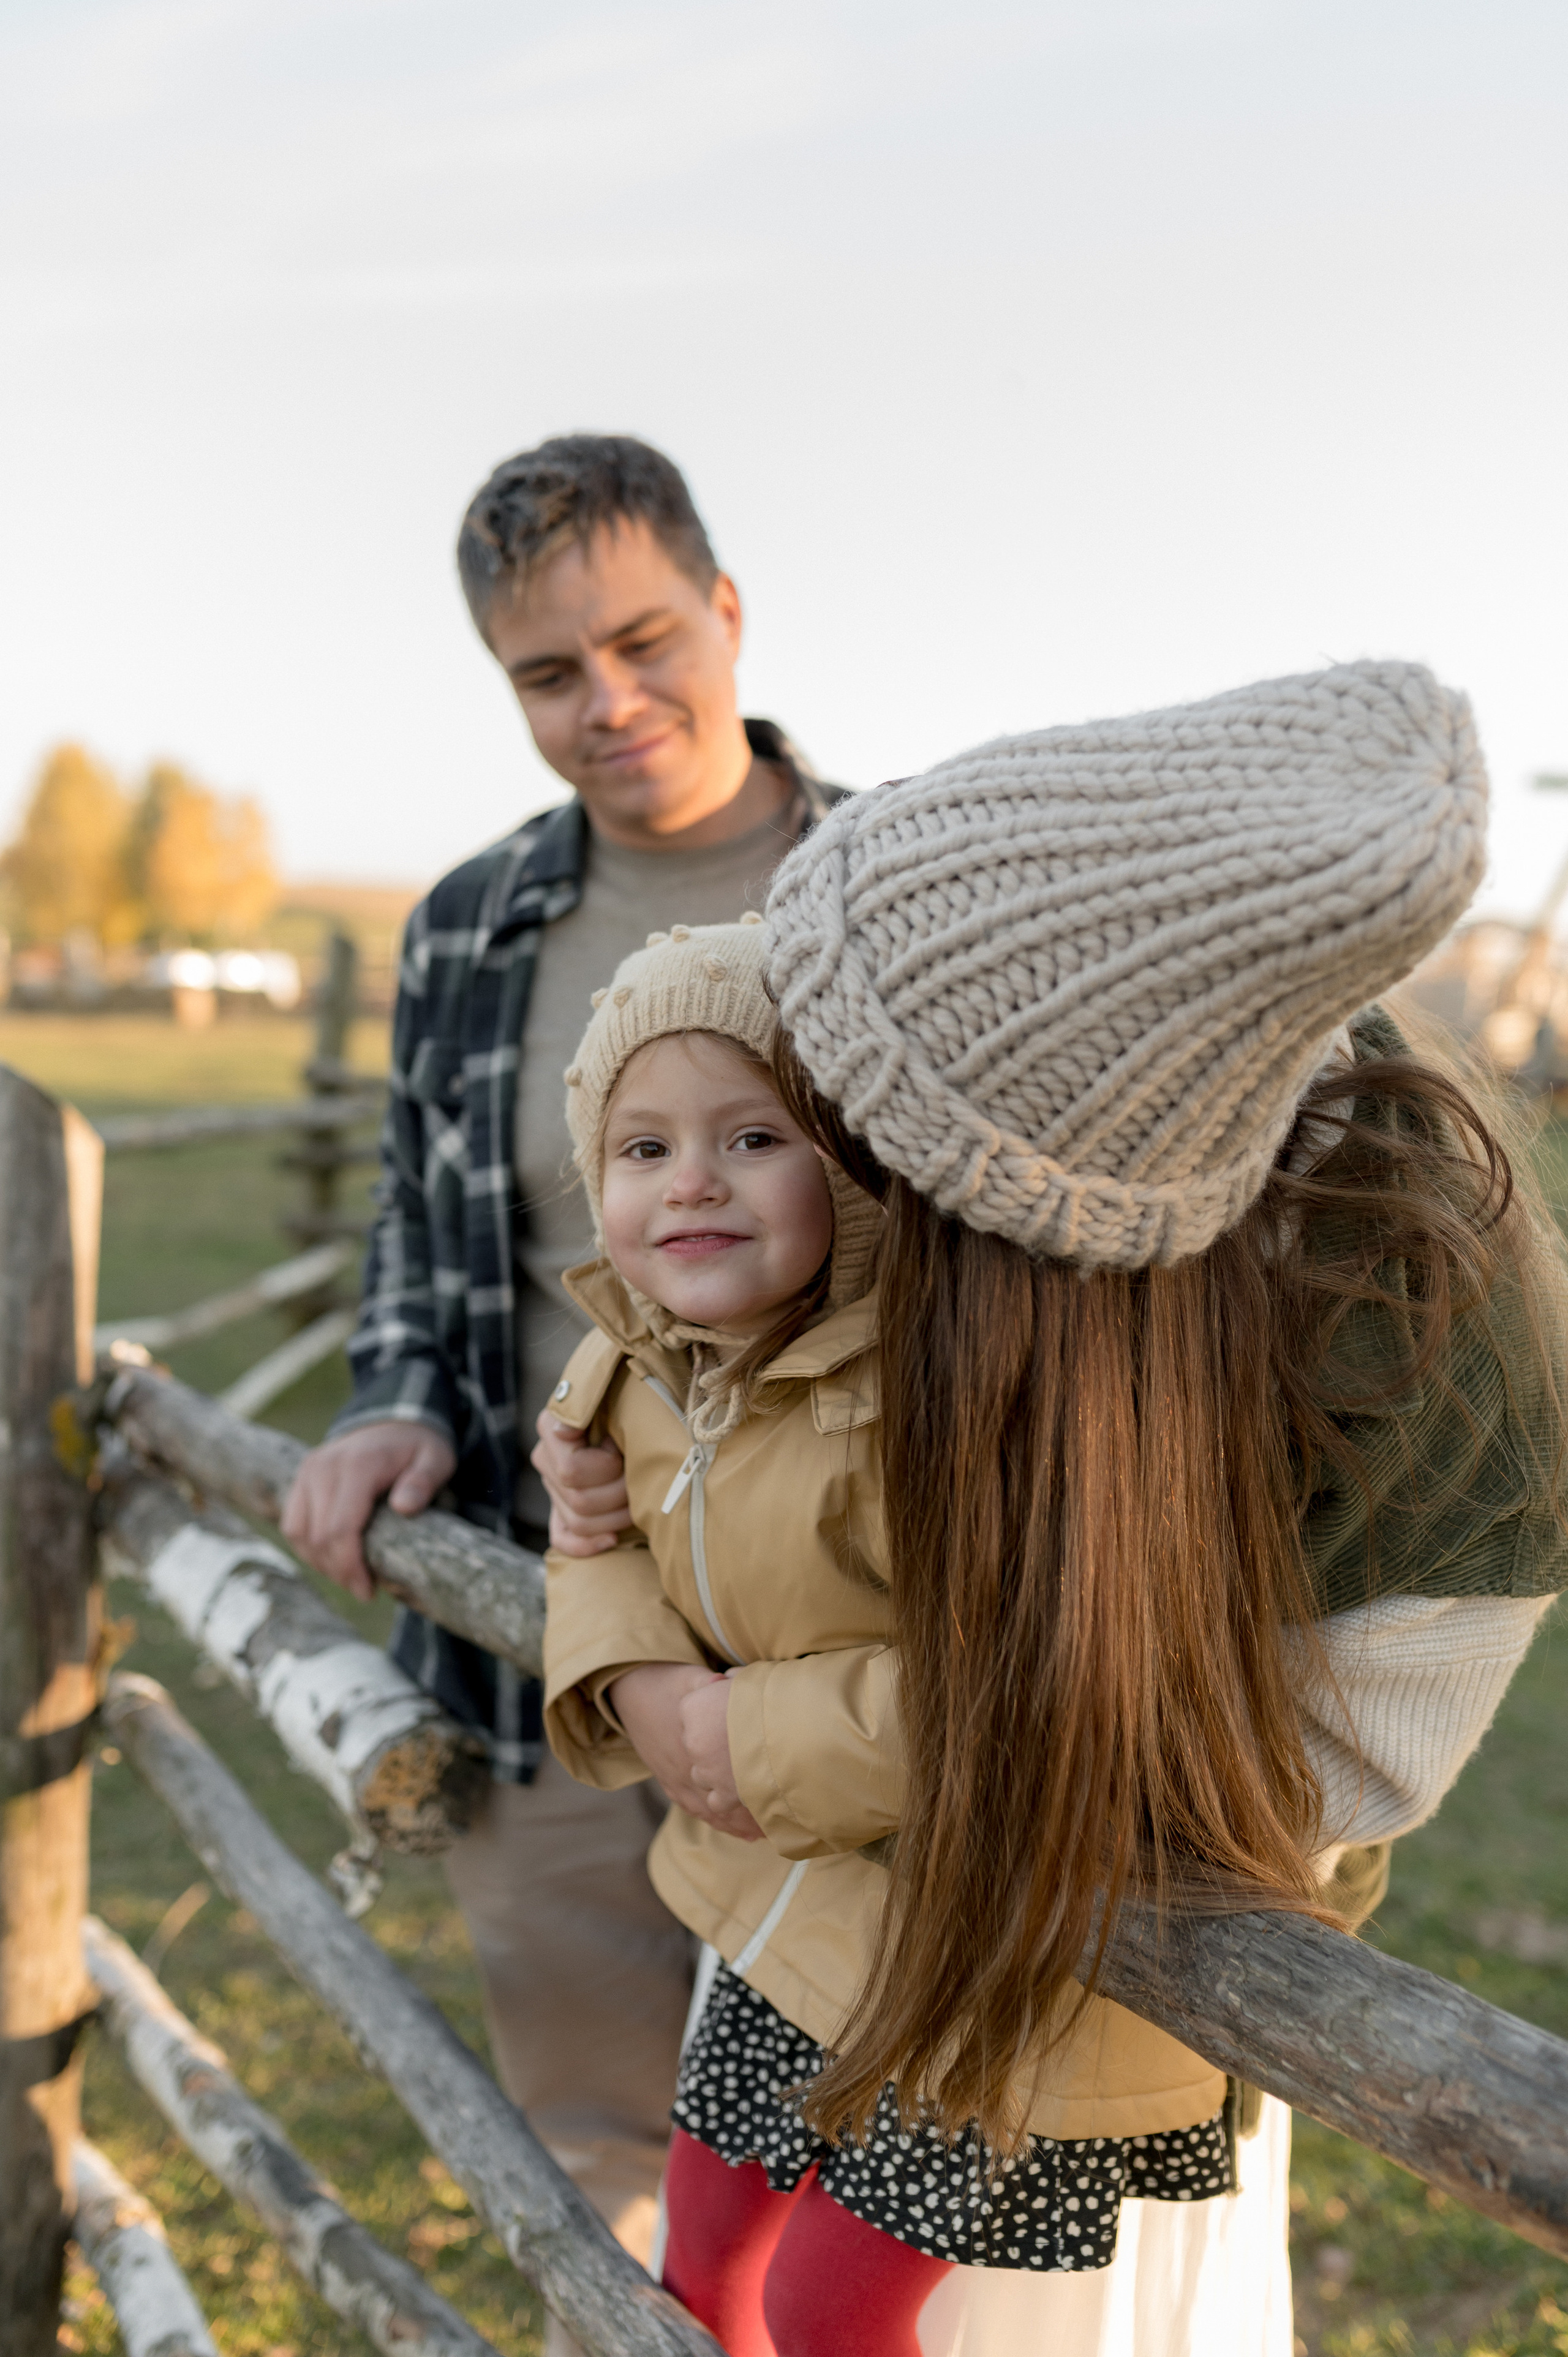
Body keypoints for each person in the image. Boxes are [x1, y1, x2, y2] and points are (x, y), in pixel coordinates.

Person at [541, 662, 1568, 2357]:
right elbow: (721, 1452)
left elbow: (1232, 1785)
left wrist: (754, 1731)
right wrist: (636, 1535)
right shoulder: (954, 1252)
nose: (801, 1166)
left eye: (848, 1126)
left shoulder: (1406, 1348)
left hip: (1068, 2007)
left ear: (1018, 1222)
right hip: (838, 1912)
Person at [280, 436, 849, 2328]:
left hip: (848, 1636)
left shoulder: (886, 884)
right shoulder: (466, 925)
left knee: (848, 2151)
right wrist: (396, 1397)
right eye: (546, 673)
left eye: (642, 639)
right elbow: (414, 1227)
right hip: (548, 1616)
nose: (609, 705)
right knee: (599, 2123)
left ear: (729, 611)